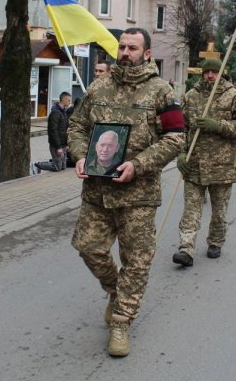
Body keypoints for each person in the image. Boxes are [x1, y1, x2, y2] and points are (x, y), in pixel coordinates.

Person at [67, 27, 185, 357]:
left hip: (138, 194)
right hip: (97, 191)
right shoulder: (98, 86)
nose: (125, 52)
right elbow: (77, 126)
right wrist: (79, 154)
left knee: (137, 260)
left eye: (133, 47)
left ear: (147, 54)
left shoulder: (162, 92)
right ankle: (113, 288)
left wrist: (141, 163)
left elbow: (176, 136)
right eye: (121, 46)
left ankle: (121, 321)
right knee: (88, 247)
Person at [172, 58, 236, 267]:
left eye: (214, 72)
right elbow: (181, 129)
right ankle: (186, 247)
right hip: (194, 162)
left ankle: (216, 241)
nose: (209, 76)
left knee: (219, 209)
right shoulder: (190, 96)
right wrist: (181, 153)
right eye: (206, 72)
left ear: (221, 74)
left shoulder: (234, 96)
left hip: (221, 165)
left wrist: (218, 125)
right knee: (191, 208)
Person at [35, 91, 72, 172]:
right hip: (56, 145)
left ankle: (54, 161)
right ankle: (38, 165)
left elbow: (65, 129)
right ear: (63, 100)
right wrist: (58, 147)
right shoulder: (55, 113)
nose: (70, 102)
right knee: (57, 167)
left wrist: (66, 145)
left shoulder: (63, 112)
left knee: (63, 167)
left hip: (62, 144)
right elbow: (53, 131)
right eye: (69, 100)